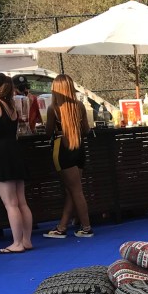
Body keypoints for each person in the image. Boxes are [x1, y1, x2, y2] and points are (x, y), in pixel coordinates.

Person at [0, 72, 32, 253]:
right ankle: (26, 240)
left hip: (1, 153)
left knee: (11, 203)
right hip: (14, 151)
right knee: (21, 201)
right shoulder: (11, 104)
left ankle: (17, 243)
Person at [42, 74, 93, 239]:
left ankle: (86, 227)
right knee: (73, 189)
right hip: (79, 149)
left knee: (75, 190)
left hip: (62, 150)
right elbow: (86, 130)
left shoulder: (53, 109)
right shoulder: (80, 106)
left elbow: (48, 132)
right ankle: (62, 227)